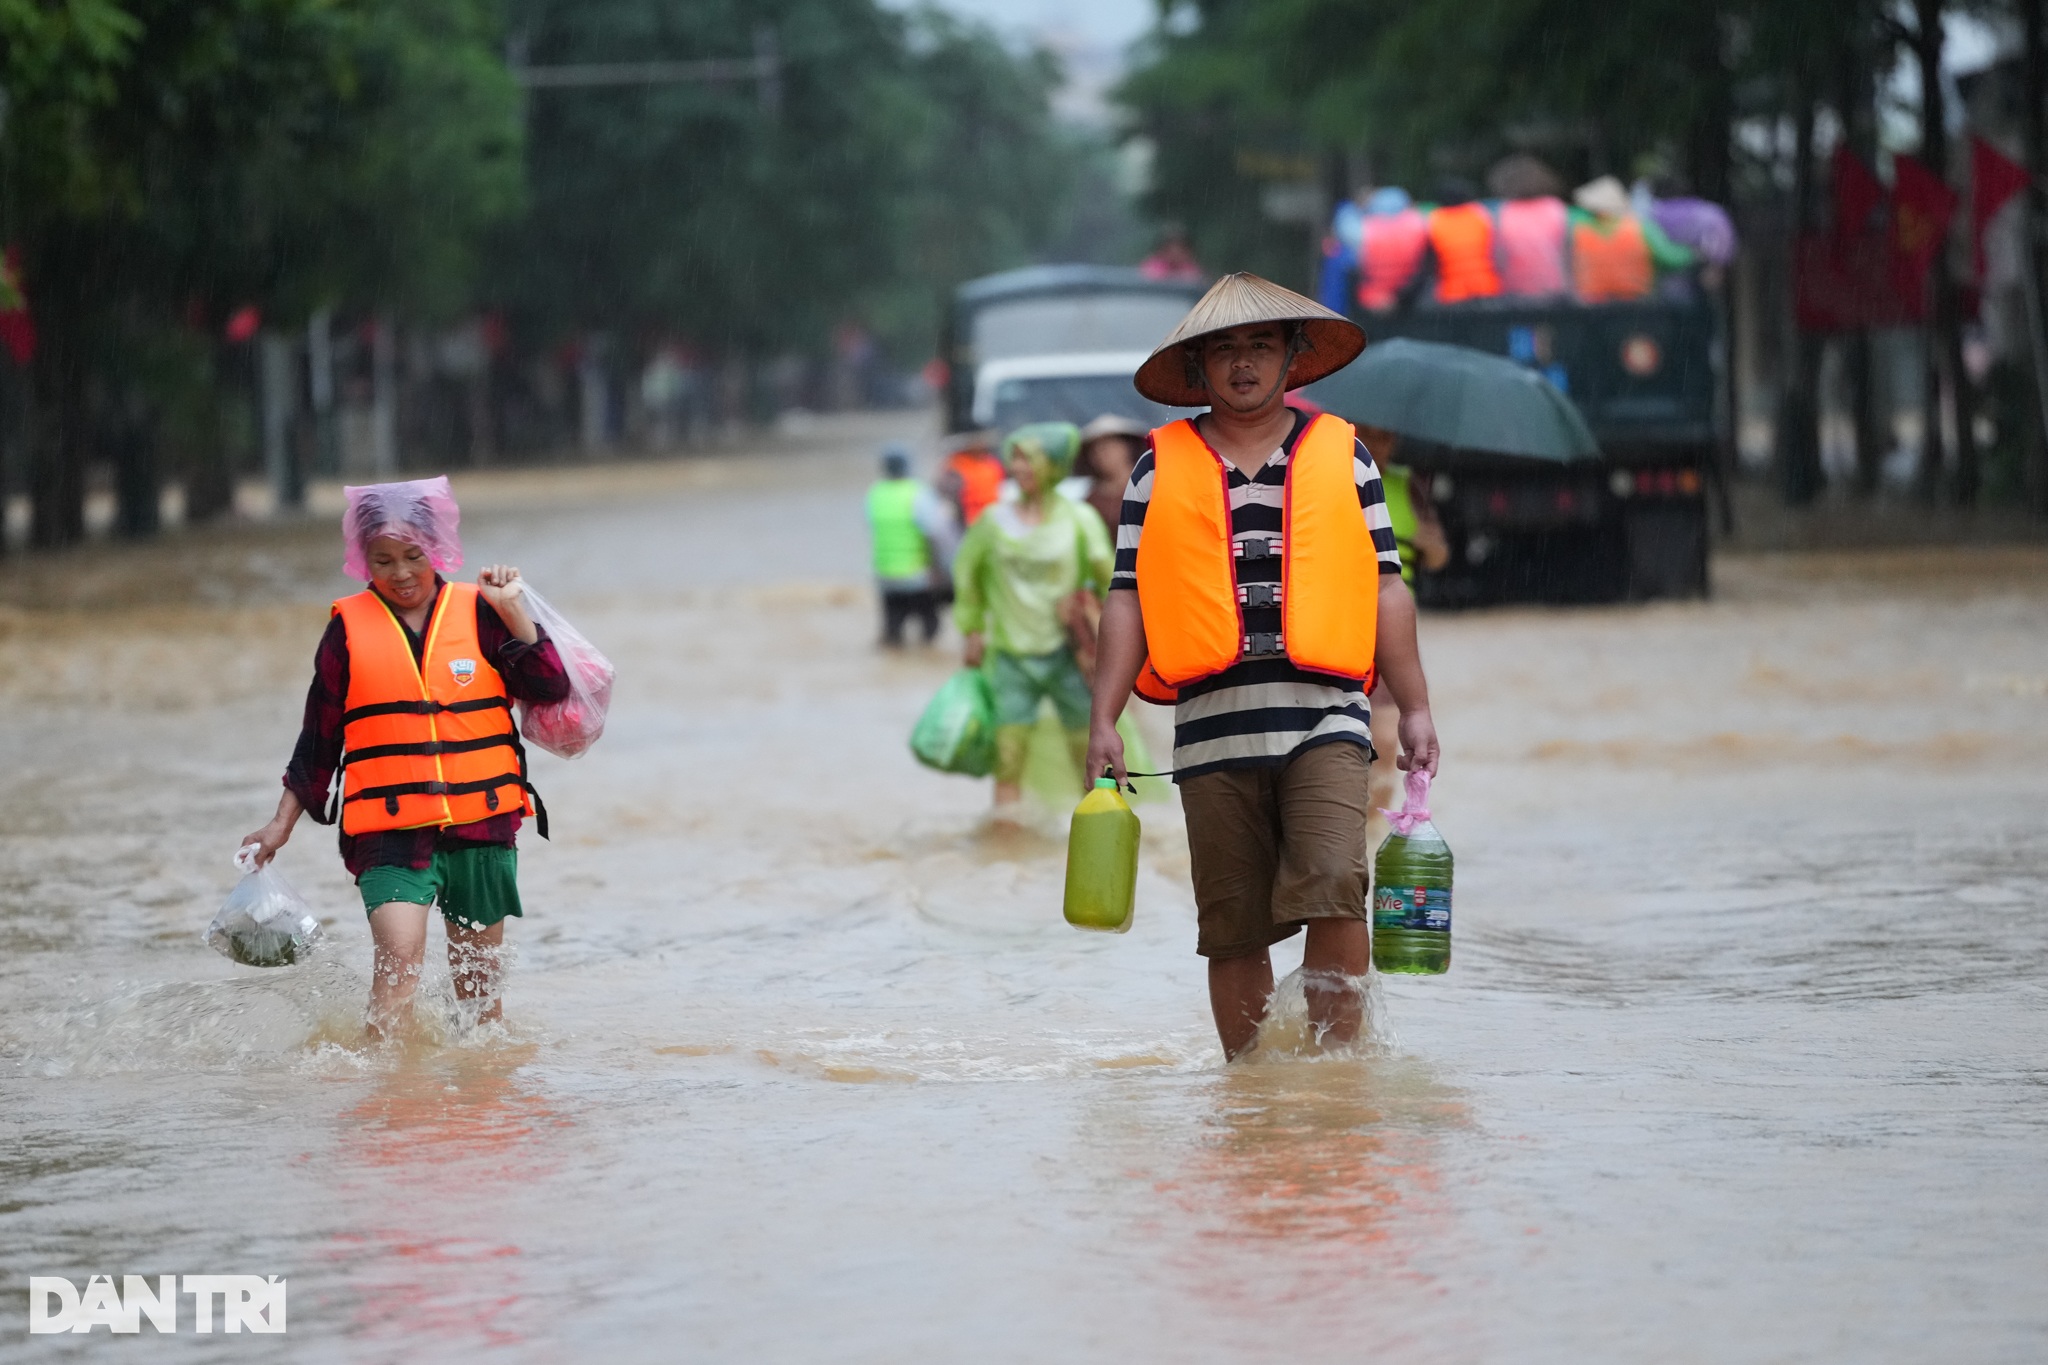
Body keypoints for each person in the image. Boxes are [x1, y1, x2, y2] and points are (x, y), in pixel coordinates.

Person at [1085, 273, 1441, 1059]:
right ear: (1200, 367)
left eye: (1259, 346)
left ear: (1292, 355)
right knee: (1234, 927)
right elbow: (1126, 599)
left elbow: (1387, 584)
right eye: (1225, 350)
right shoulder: (1155, 468)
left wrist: (1413, 706)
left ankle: (1332, 1080)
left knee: (1337, 891)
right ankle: (1254, 1097)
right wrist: (1103, 719)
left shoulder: (1344, 455)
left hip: (1328, 720)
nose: (1243, 363)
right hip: (1211, 733)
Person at [239, 477, 569, 1040]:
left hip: (482, 824)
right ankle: (387, 1109)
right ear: (361, 558)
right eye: (383, 559)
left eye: (414, 555)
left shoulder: (484, 611)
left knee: (480, 1001)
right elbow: (319, 739)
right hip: (388, 833)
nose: (401, 572)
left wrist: (514, 611)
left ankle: (482, 1115)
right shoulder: (345, 630)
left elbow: (551, 687)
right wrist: (280, 824)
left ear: (435, 548)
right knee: (397, 968)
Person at [952, 422, 1114, 813]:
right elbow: (967, 574)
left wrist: (1111, 638)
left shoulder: (1080, 519)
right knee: (1008, 756)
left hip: (1069, 655)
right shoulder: (992, 522)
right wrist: (972, 629)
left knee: (1087, 754)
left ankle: (1090, 833)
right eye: (1015, 458)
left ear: (1054, 465)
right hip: (1011, 654)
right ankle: (1008, 840)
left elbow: (1112, 581)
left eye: (1029, 458)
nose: (1018, 467)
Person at [867, 444, 951, 647]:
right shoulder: (918, 493)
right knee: (930, 630)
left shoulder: (874, 494)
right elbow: (933, 535)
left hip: (885, 575)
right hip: (917, 576)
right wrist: (938, 569)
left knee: (892, 633)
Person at [1570, 175, 1697, 304]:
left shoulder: (1578, 230)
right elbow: (1670, 259)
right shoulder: (1640, 227)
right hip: (1634, 304)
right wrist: (1693, 254)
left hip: (1591, 305)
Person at [1075, 414, 1148, 532]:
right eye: (1096, 450)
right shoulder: (1090, 501)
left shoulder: (1150, 486)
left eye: (1109, 447)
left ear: (1127, 447)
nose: (1102, 455)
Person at [940, 429, 1007, 528]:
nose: (980, 443)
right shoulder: (957, 463)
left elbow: (1002, 487)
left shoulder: (992, 463)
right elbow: (948, 494)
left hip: (994, 517)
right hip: (968, 520)